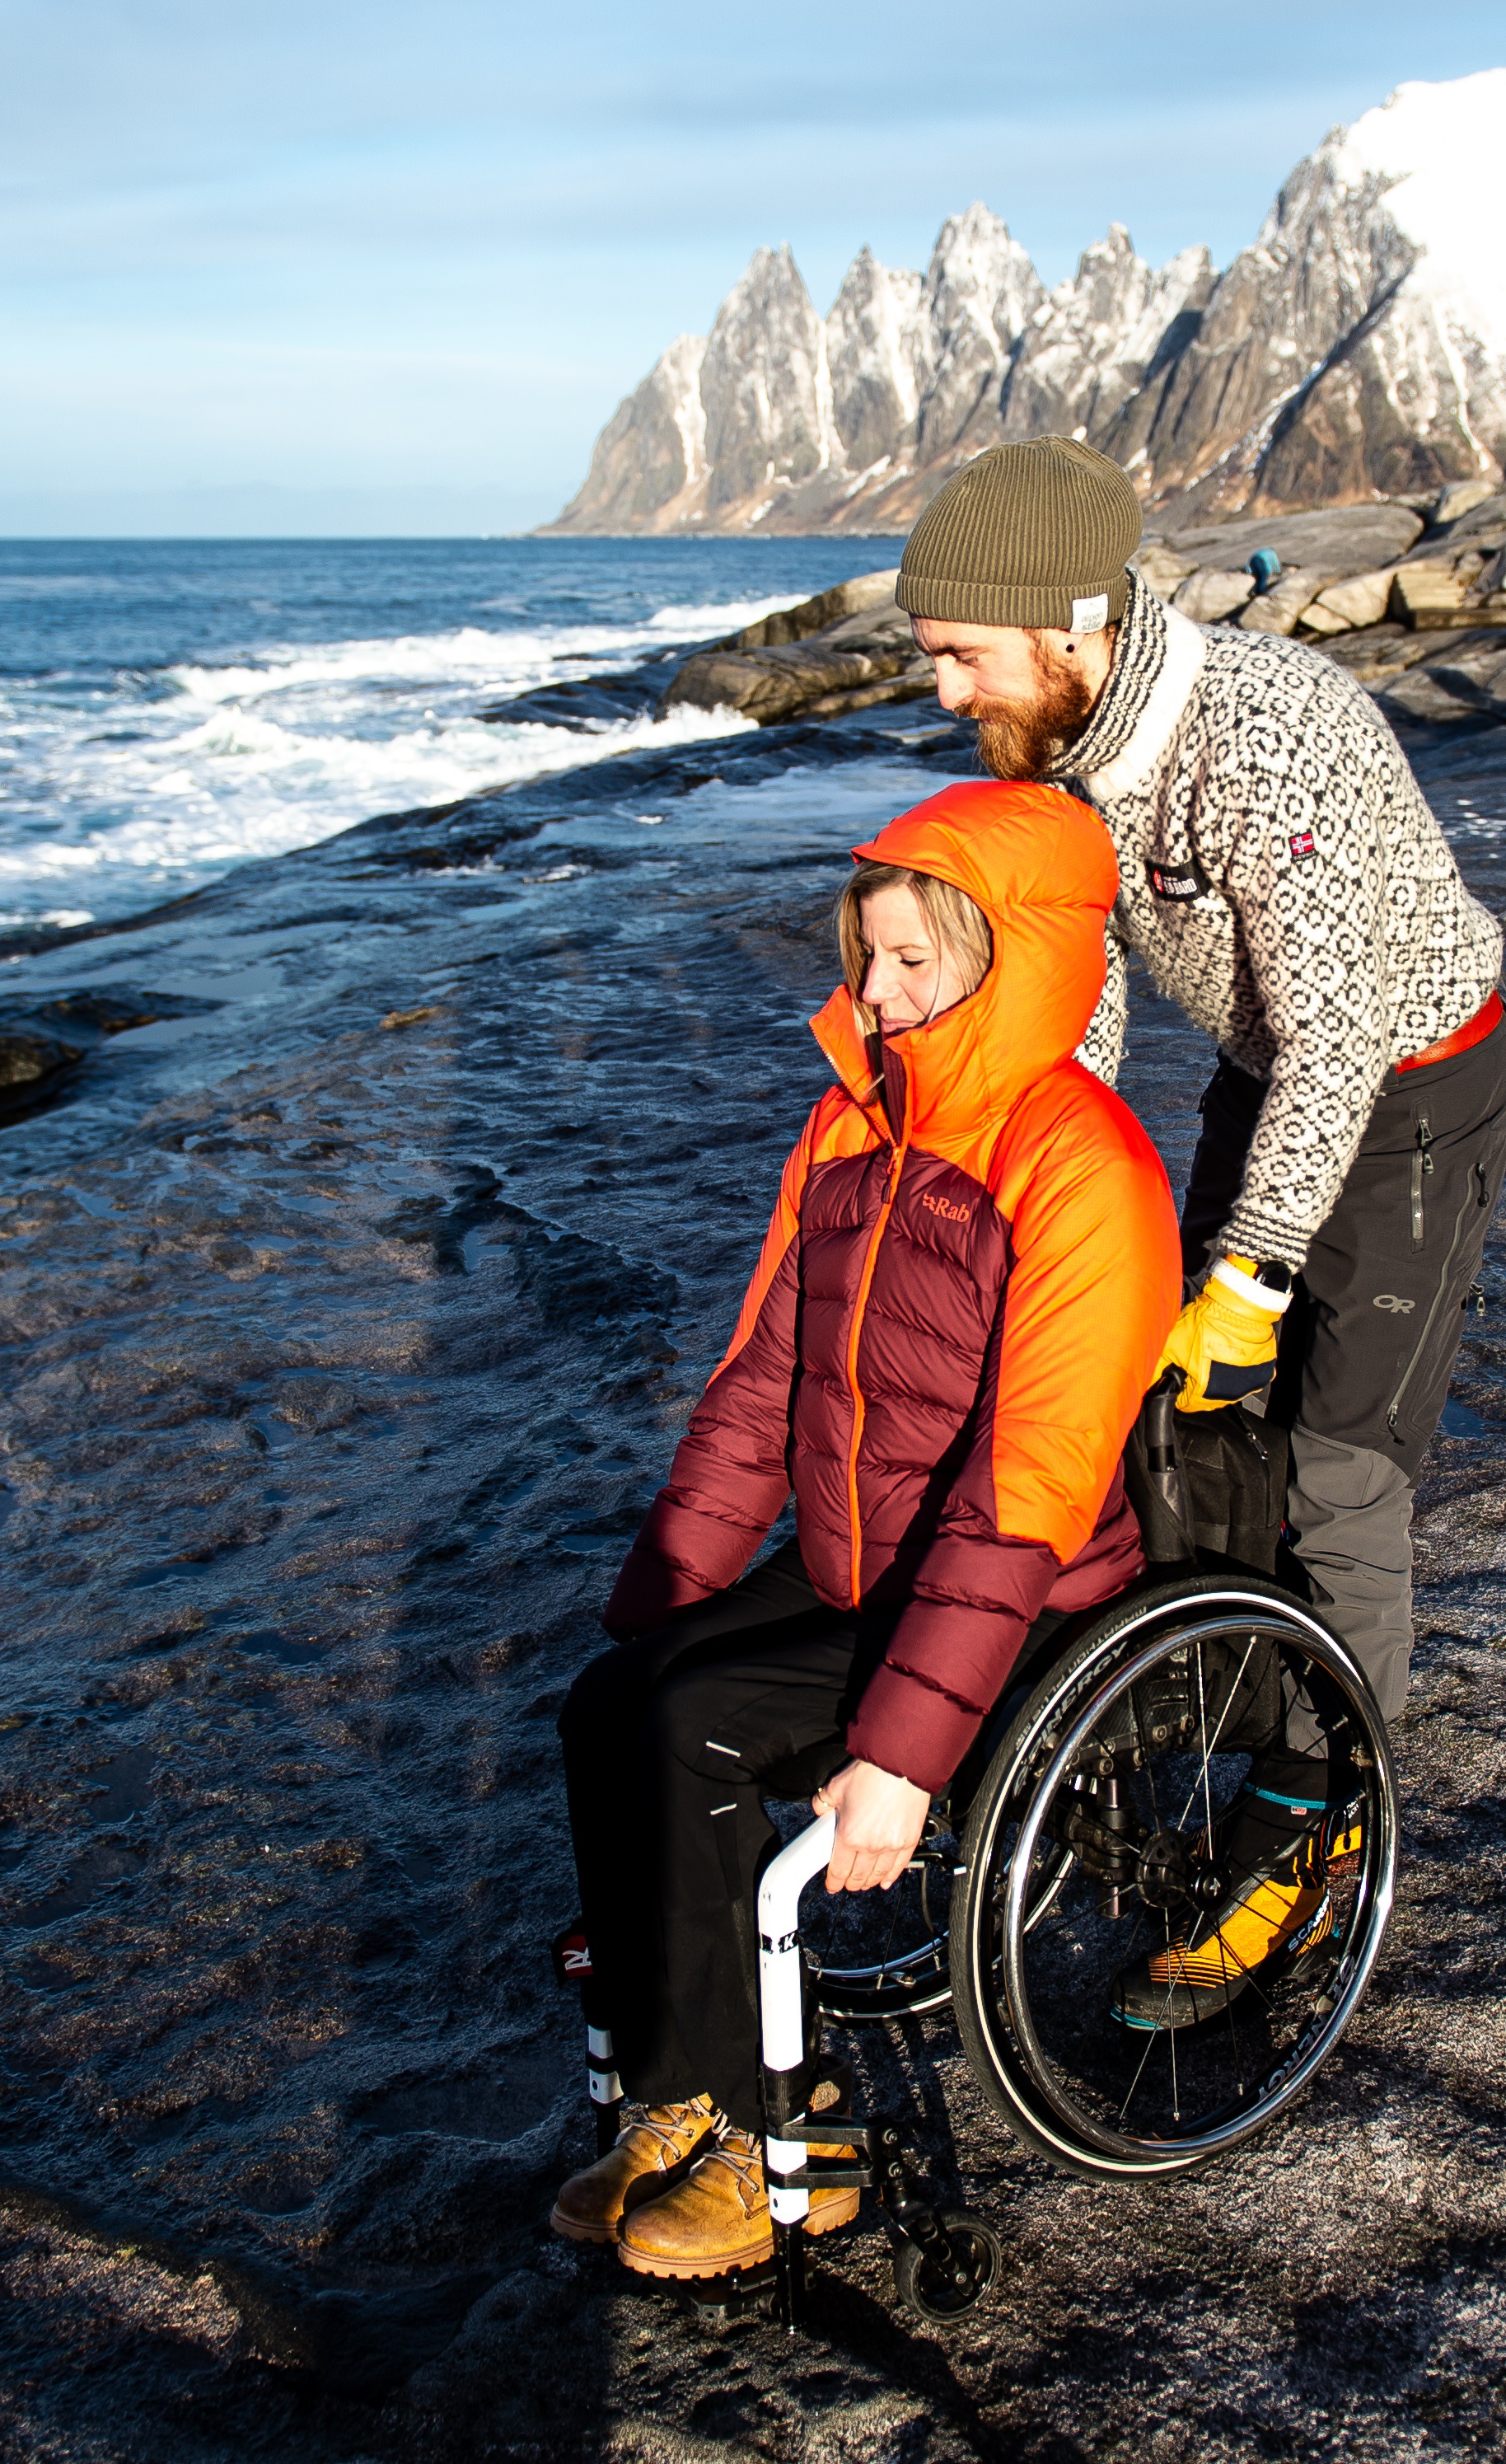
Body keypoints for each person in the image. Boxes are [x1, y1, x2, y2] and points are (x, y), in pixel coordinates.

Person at [896, 438, 1506, 2029]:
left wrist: (1249, 1272)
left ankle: (1321, 1823)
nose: (949, 693)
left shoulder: (1266, 739)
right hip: (1275, 1076)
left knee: (1335, 1467)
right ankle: (1223, 1702)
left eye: (962, 657)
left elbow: (1341, 1036)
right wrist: (1043, 1161)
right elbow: (1088, 970)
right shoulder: (1066, 737)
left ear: (1070, 622)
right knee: (1187, 1418)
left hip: (1413, 1085)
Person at [548, 780, 1176, 2281]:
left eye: (913, 963)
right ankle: (673, 2085)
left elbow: (1031, 1480)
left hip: (1026, 1605)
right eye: (866, 959)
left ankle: (785, 2133)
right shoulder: (851, 1127)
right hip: (864, 1571)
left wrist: (897, 1759)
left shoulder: (1083, 1166)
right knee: (612, 1705)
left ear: (1008, 956)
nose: (876, 998)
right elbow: (767, 1371)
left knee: (696, 1725)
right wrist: (669, 1593)